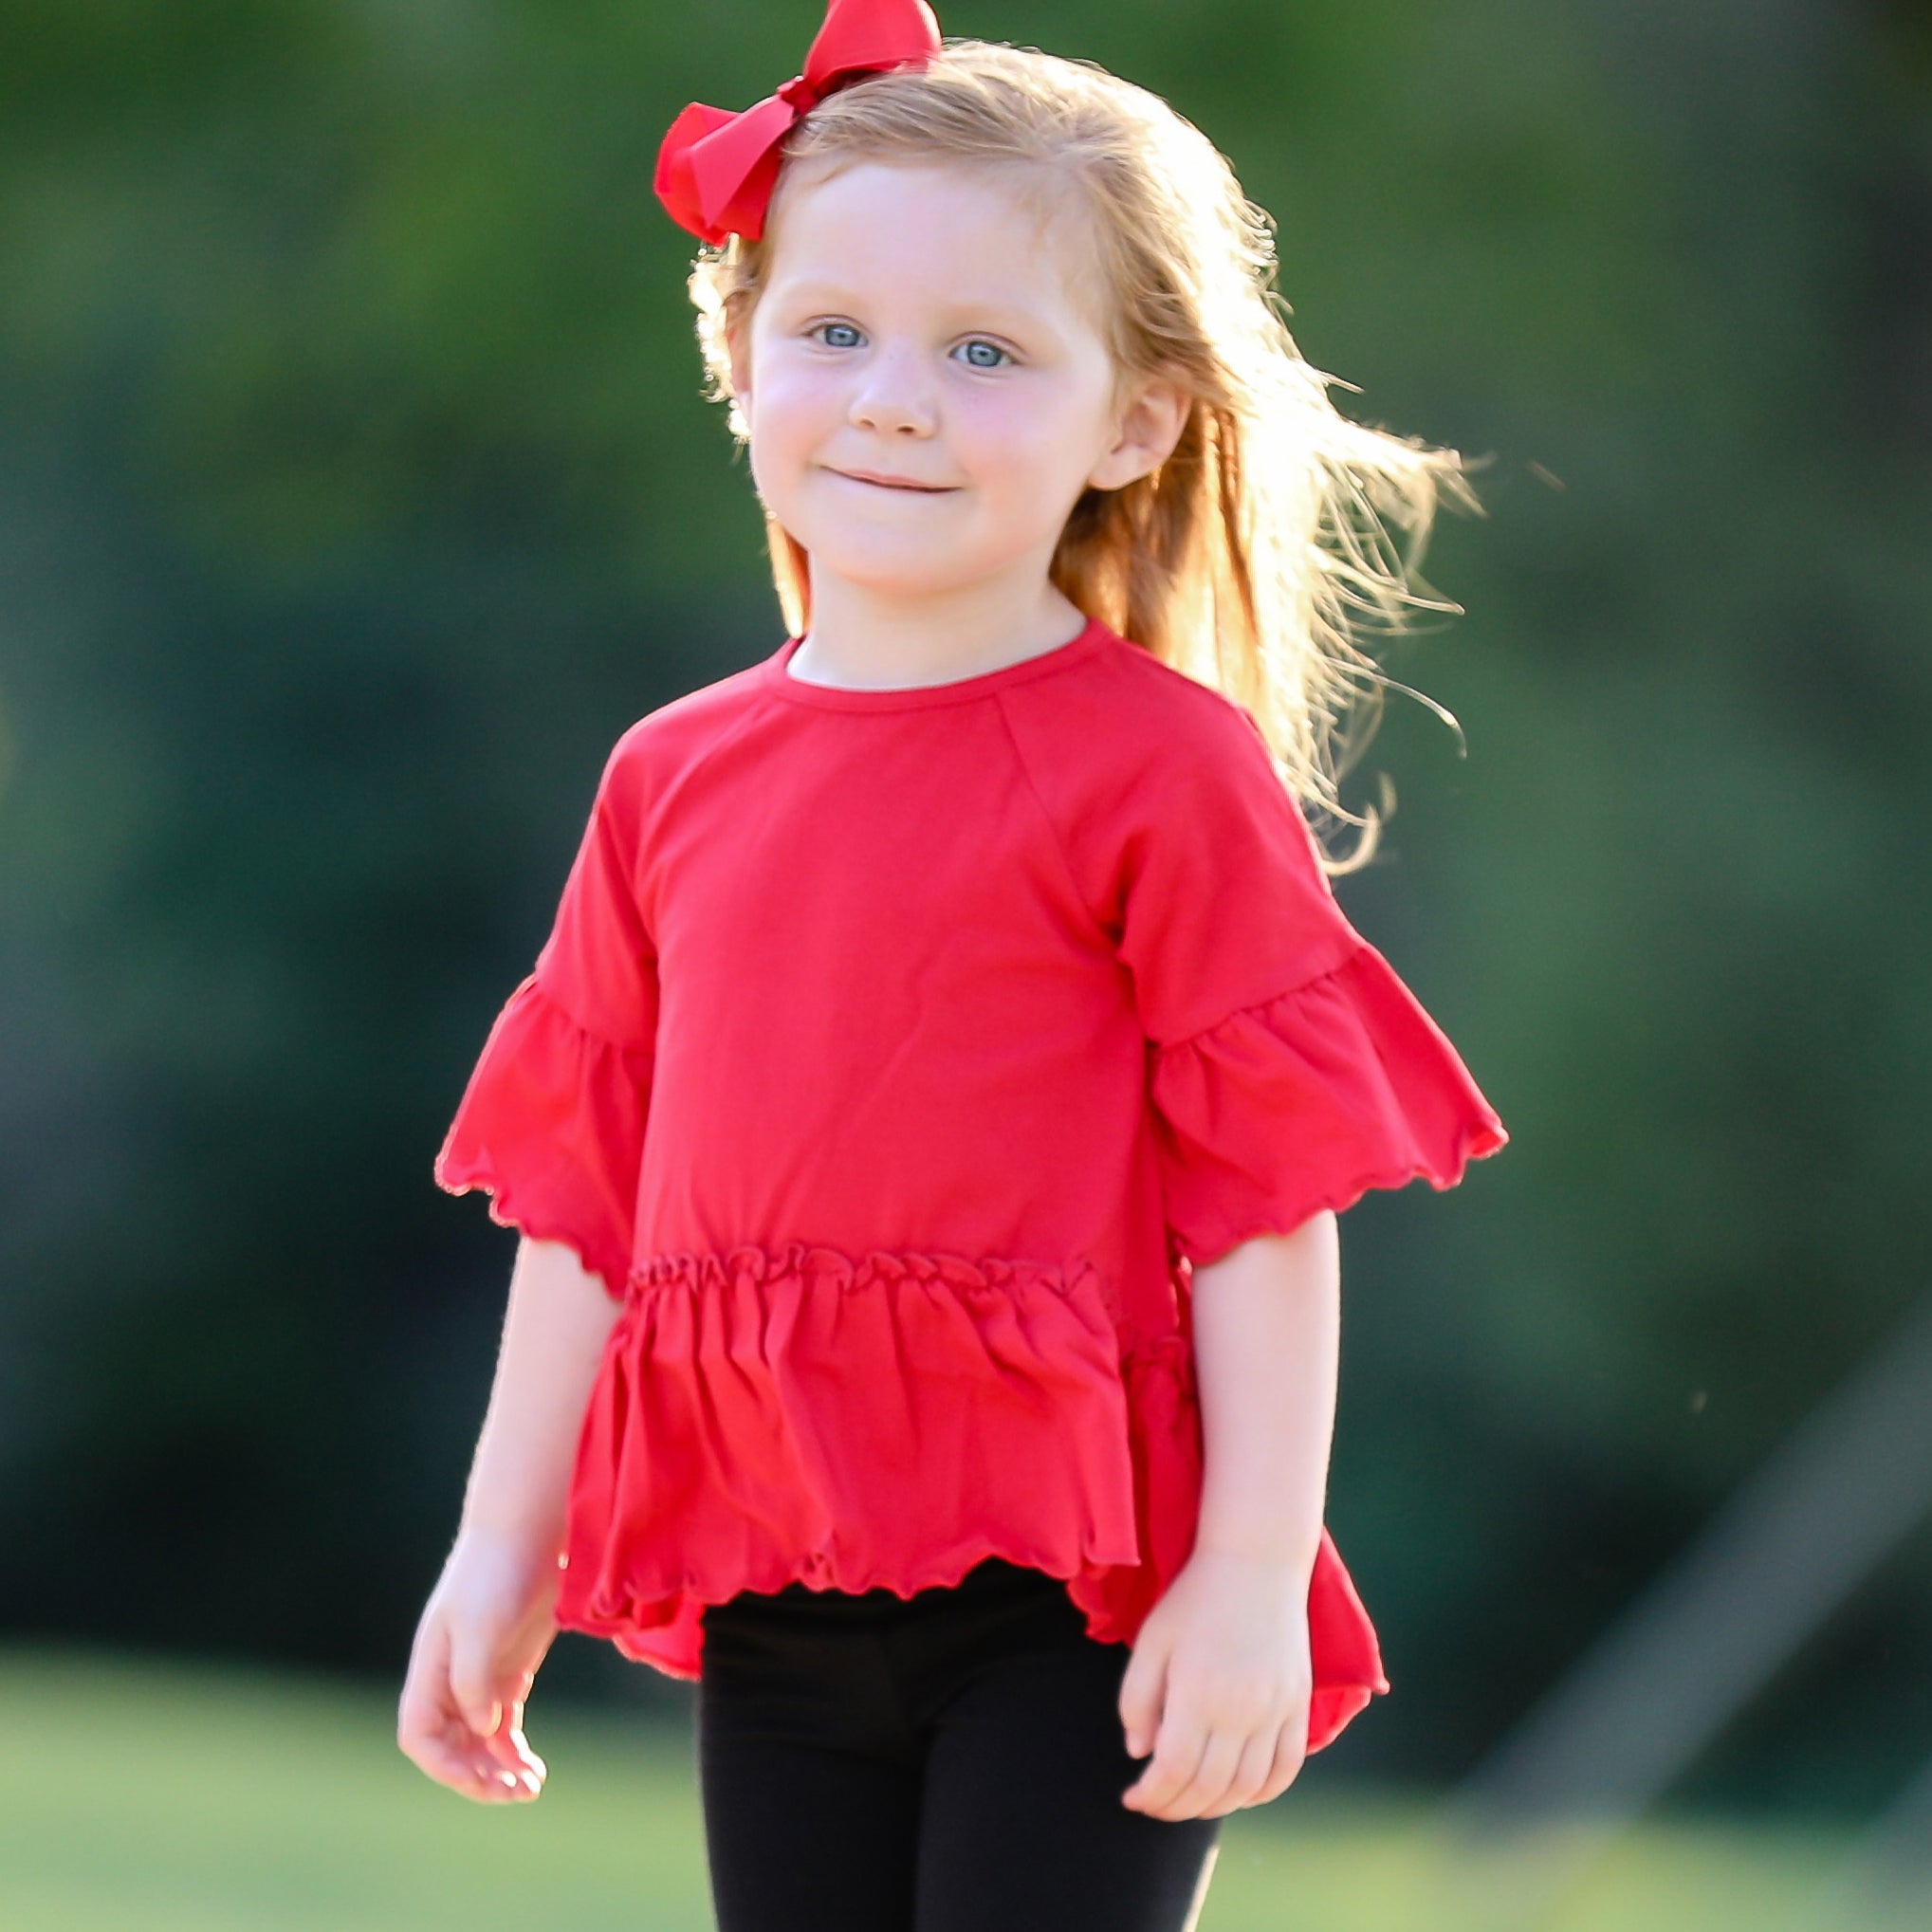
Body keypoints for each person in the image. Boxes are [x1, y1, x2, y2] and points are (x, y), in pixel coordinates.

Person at [396, 3, 1508, 1926]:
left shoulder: (1156, 768)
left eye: (983, 351)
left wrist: (1247, 1570)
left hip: (1083, 1606)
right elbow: (579, 1195)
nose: (892, 397)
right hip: (775, 1583)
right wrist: (504, 1537)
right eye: (831, 330)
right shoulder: (667, 776)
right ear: (738, 356)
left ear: (1134, 419)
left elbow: (1262, 1211)